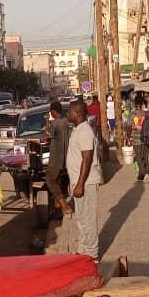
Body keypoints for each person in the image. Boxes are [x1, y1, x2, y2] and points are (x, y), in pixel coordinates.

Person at [66, 100, 103, 259]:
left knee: (88, 219)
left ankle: (92, 254)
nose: (68, 114)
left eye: (70, 111)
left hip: (86, 183)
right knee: (81, 219)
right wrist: (72, 181)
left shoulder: (85, 131)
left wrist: (80, 184)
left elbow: (87, 158)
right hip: (78, 181)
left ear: (78, 114)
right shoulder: (77, 129)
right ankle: (83, 250)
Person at [46, 101, 73, 216]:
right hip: (67, 157)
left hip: (56, 158)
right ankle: (58, 206)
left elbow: (48, 136)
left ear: (52, 111)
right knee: (56, 180)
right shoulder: (67, 122)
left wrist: (47, 123)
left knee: (50, 180)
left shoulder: (55, 124)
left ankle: (64, 204)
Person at [125, 98, 149, 182]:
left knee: (138, 156)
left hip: (136, 139)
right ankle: (146, 173)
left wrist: (128, 138)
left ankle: (142, 173)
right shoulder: (147, 113)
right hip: (146, 138)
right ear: (142, 104)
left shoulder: (132, 114)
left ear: (134, 104)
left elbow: (129, 127)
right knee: (146, 155)